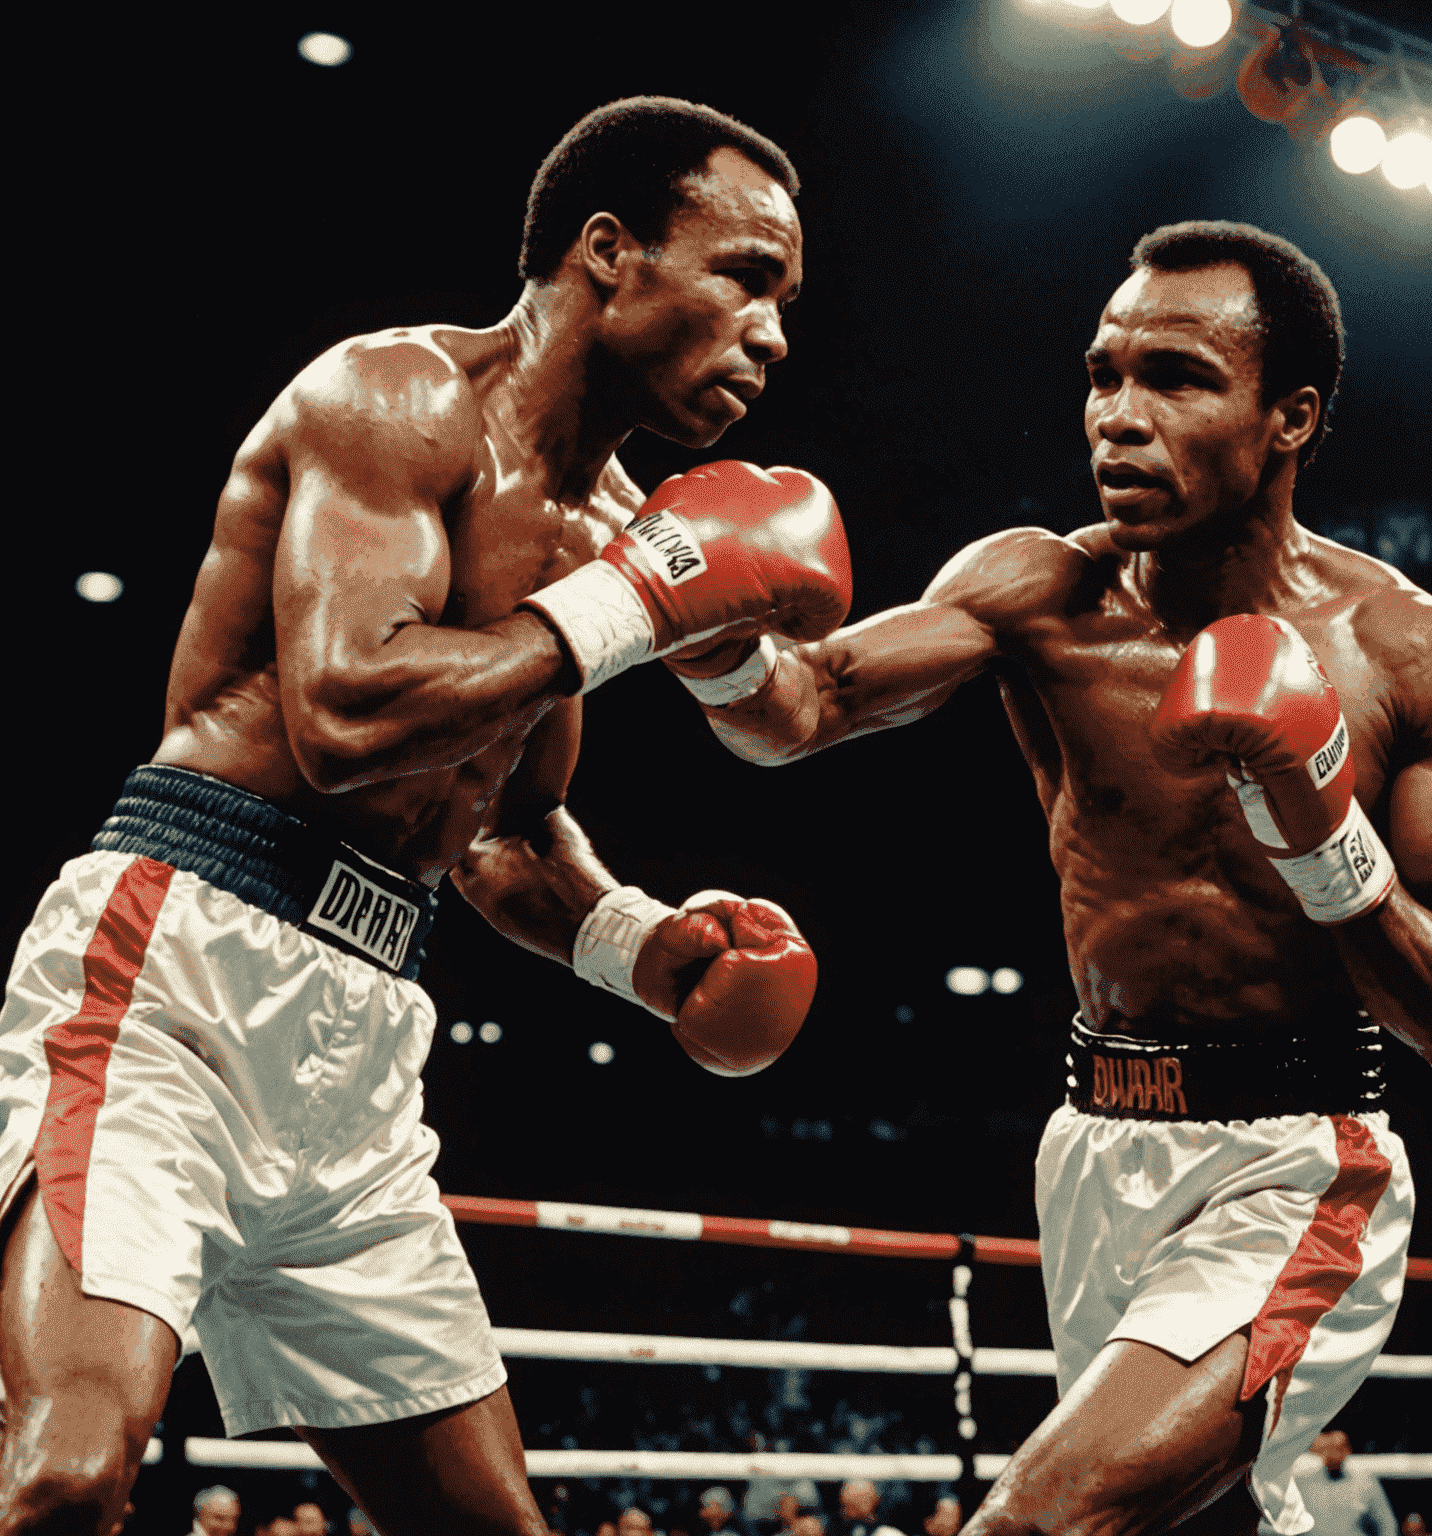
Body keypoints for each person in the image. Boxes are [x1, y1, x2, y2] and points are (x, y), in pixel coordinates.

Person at [0, 95, 849, 1536]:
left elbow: (505, 833)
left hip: (362, 1049)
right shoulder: (396, 400)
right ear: (609, 254)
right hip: (177, 975)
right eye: (745, 275)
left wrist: (651, 952)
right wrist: (628, 604)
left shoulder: (609, 533)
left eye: (786, 298)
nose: (773, 330)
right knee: (72, 1477)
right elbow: (346, 716)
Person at [682, 220, 1432, 1535]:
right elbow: (798, 708)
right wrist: (706, 630)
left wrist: (1320, 829)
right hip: (1089, 1151)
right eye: (1102, 375)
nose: (1117, 417)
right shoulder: (1038, 593)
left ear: (1289, 416)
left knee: (1044, 1520)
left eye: (1176, 378)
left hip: (1299, 1166)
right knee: (1194, 1521)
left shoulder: (1414, 651)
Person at [1293, 1430, 1398, 1536]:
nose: (1335, 1454)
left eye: (1340, 1448)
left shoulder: (1364, 1481)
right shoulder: (1305, 1478)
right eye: (1331, 1449)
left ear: (1348, 1450)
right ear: (1324, 1450)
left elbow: (1386, 1522)